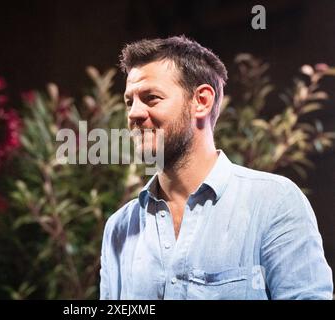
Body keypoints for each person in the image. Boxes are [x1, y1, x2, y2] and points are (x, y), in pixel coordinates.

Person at [99, 35, 333, 300]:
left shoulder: (274, 203)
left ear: (202, 101)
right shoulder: (118, 229)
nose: (133, 114)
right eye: (130, 102)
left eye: (151, 98)